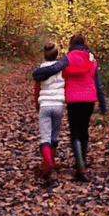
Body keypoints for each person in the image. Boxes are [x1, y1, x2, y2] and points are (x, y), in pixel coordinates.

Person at [32, 34, 107, 182]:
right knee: (84, 131)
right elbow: (98, 83)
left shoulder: (68, 58)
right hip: (89, 100)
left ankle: (80, 166)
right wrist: (103, 104)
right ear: (85, 43)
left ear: (71, 43)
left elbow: (54, 69)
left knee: (75, 133)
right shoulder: (91, 59)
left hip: (73, 100)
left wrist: (37, 74)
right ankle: (81, 165)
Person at [34, 43, 65, 177]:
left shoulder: (40, 70)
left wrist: (37, 104)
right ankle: (51, 160)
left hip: (45, 105)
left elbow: (37, 90)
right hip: (58, 105)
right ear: (57, 55)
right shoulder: (62, 70)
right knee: (54, 135)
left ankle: (47, 163)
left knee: (45, 136)